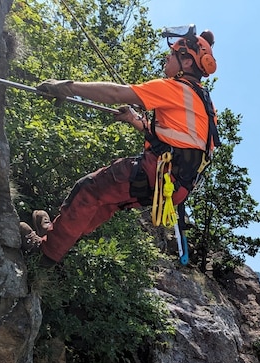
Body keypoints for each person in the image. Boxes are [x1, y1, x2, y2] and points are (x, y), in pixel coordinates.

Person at [19, 27, 219, 265]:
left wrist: (67, 87)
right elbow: (178, 141)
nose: (167, 57)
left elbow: (116, 93)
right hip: (173, 187)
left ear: (186, 60)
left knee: (89, 189)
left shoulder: (175, 88)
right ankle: (52, 234)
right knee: (104, 204)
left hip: (156, 173)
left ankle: (44, 253)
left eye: (173, 54)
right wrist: (136, 120)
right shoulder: (205, 105)